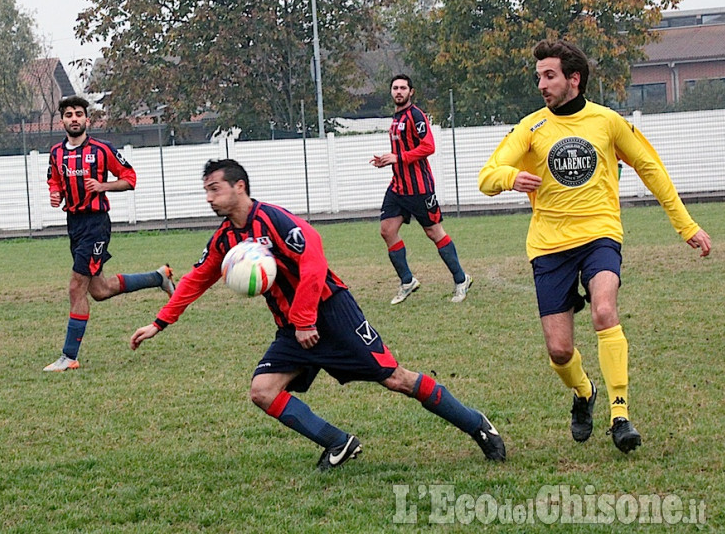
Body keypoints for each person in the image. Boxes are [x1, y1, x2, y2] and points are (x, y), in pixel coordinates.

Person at [130, 159, 506, 469]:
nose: (209, 197)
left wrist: (306, 318)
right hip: (292, 328)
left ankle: (477, 425)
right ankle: (339, 442)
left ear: (239, 186)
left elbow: (313, 261)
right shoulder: (226, 239)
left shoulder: (275, 220)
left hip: (331, 313)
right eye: (206, 190)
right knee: (262, 392)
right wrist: (159, 322)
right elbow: (196, 279)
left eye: (215, 188)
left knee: (396, 379)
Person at [478, 40, 712, 453]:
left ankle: (619, 414)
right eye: (538, 77)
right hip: (549, 247)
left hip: (600, 235)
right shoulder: (531, 127)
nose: (541, 85)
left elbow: (649, 166)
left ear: (574, 79)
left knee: (605, 310)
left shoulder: (607, 121)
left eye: (549, 76)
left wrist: (685, 225)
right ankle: (584, 392)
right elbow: (487, 175)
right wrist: (509, 179)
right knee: (559, 349)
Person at [44, 96, 176, 372]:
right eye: (69, 115)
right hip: (74, 224)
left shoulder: (102, 150)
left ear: (87, 120)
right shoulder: (56, 153)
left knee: (75, 287)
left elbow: (130, 178)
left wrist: (103, 186)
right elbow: (54, 179)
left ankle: (69, 356)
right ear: (62, 121)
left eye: (79, 114)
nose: (74, 119)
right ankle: (158, 277)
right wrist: (55, 194)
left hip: (96, 224)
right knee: (100, 290)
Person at [370, 74, 472, 305]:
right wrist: (386, 160)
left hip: (419, 189)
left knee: (434, 233)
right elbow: (399, 152)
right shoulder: (396, 118)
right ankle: (407, 281)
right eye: (395, 88)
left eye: (403, 88)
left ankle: (461, 278)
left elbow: (429, 146)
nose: (398, 91)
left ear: (411, 92)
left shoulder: (416, 115)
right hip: (398, 187)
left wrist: (398, 157)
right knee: (387, 230)